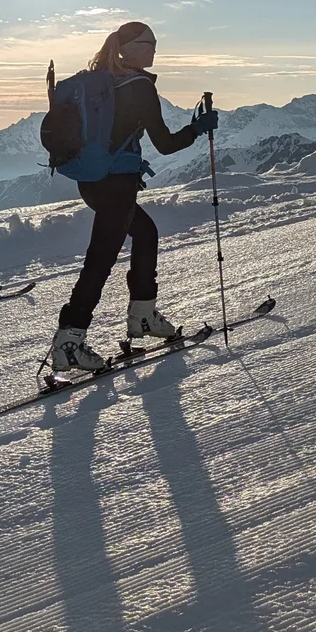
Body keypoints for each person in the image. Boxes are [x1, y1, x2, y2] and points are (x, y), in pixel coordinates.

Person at [48, 22, 218, 374]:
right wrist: (198, 129)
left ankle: (143, 314)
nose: (155, 49)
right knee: (99, 261)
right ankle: (69, 341)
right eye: (150, 43)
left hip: (91, 181)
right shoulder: (139, 86)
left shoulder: (101, 78)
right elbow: (166, 144)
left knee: (145, 233)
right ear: (132, 48)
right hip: (117, 185)